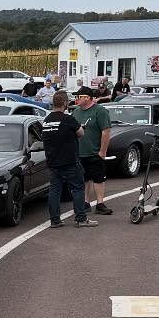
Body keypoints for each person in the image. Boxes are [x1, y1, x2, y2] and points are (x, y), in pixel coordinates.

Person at [40, 91, 96, 228]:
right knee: (77, 189)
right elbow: (81, 133)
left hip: (52, 162)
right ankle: (81, 218)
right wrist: (78, 128)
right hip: (69, 161)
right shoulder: (67, 119)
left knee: (55, 191)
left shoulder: (46, 121)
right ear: (65, 103)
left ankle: (55, 220)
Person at [74, 86, 114, 215]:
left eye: (79, 97)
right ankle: (85, 202)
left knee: (98, 178)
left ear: (87, 97)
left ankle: (100, 203)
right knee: (84, 178)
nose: (76, 99)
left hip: (95, 151)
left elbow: (106, 131)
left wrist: (102, 151)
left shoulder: (100, 111)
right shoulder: (76, 112)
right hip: (80, 152)